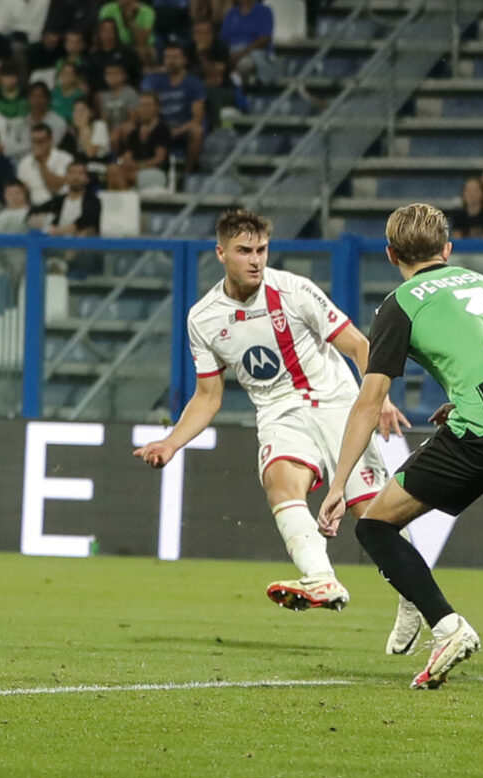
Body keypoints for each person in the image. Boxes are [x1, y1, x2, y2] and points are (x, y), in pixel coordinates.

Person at [133, 208, 428, 656]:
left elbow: (358, 345)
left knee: (372, 516)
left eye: (262, 250)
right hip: (278, 412)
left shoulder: (294, 290)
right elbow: (208, 397)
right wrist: (171, 442)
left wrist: (380, 397)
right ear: (221, 253)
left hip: (336, 405)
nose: (255, 260)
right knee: (280, 480)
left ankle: (414, 597)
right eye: (244, 251)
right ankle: (321, 579)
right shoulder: (204, 318)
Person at [315, 202, 483, 691]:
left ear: (391, 255)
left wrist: (339, 484)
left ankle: (448, 628)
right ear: (448, 250)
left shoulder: (400, 303)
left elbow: (371, 401)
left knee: (376, 527)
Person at [142, 44, 206, 173]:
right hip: (160, 128)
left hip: (182, 130)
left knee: (197, 131)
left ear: (184, 60)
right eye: (167, 57)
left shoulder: (194, 84)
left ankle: (187, 172)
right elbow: (147, 107)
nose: (171, 61)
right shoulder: (156, 81)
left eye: (175, 57)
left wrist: (176, 131)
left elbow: (197, 119)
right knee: (139, 127)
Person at [106, 91, 169, 191]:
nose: (144, 109)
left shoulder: (162, 129)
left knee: (123, 175)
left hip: (156, 172)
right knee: (112, 169)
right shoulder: (134, 133)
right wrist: (124, 162)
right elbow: (127, 156)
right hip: (136, 169)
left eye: (147, 105)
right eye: (141, 105)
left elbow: (159, 159)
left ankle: (125, 203)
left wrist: (138, 165)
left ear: (157, 108)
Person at [34, 159, 100, 236]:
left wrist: (60, 231)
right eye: (72, 173)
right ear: (66, 177)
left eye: (80, 173)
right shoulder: (58, 201)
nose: (76, 177)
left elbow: (86, 220)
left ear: (87, 179)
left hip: (80, 244)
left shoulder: (93, 202)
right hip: (55, 243)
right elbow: (36, 211)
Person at [5, 82, 68, 160]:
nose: (37, 100)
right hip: (23, 162)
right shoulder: (21, 122)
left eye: (41, 96)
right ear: (29, 99)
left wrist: (22, 148)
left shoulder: (59, 123)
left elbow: (48, 149)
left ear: (47, 99)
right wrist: (29, 147)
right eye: (33, 96)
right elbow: (8, 150)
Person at [219, 0, 276, 86]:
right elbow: (223, 39)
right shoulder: (231, 13)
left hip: (255, 51)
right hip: (232, 52)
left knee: (245, 64)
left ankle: (254, 86)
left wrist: (240, 54)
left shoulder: (264, 11)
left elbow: (265, 39)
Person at [16, 123, 73, 206]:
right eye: (34, 141)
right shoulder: (25, 162)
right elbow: (22, 191)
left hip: (58, 204)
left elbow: (54, 187)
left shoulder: (65, 158)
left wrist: (41, 163)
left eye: (41, 141)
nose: (38, 144)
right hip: (34, 206)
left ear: (50, 140)